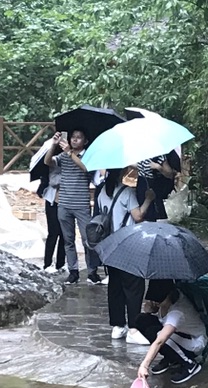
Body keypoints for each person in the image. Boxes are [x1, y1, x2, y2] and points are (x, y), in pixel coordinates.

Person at [102, 166, 156, 341]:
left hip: (109, 245)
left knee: (115, 286)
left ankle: (118, 326)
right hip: (127, 244)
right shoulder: (126, 192)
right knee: (134, 286)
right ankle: (133, 328)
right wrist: (148, 199)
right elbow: (138, 216)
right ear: (122, 172)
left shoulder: (103, 190)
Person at [42, 128, 103, 283]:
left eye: (79, 137)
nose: (75, 140)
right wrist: (53, 145)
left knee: (87, 240)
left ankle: (92, 271)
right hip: (64, 203)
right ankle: (73, 271)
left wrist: (70, 153)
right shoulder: (63, 155)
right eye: (73, 137)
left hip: (81, 204)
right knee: (68, 240)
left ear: (85, 141)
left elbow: (86, 168)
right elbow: (47, 162)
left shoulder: (88, 157)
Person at [133, 279, 207, 384]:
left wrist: (144, 365)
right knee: (141, 320)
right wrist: (150, 310)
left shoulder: (177, 313)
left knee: (158, 334)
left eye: (159, 301)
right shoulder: (166, 301)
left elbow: (160, 341)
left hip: (194, 342)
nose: (156, 304)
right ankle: (172, 357)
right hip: (179, 335)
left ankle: (190, 365)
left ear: (168, 296)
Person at [30, 140, 64, 272]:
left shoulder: (73, 158)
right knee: (53, 232)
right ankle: (47, 263)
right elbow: (49, 165)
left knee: (65, 234)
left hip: (67, 200)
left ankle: (61, 264)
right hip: (52, 199)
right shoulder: (55, 160)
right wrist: (54, 145)